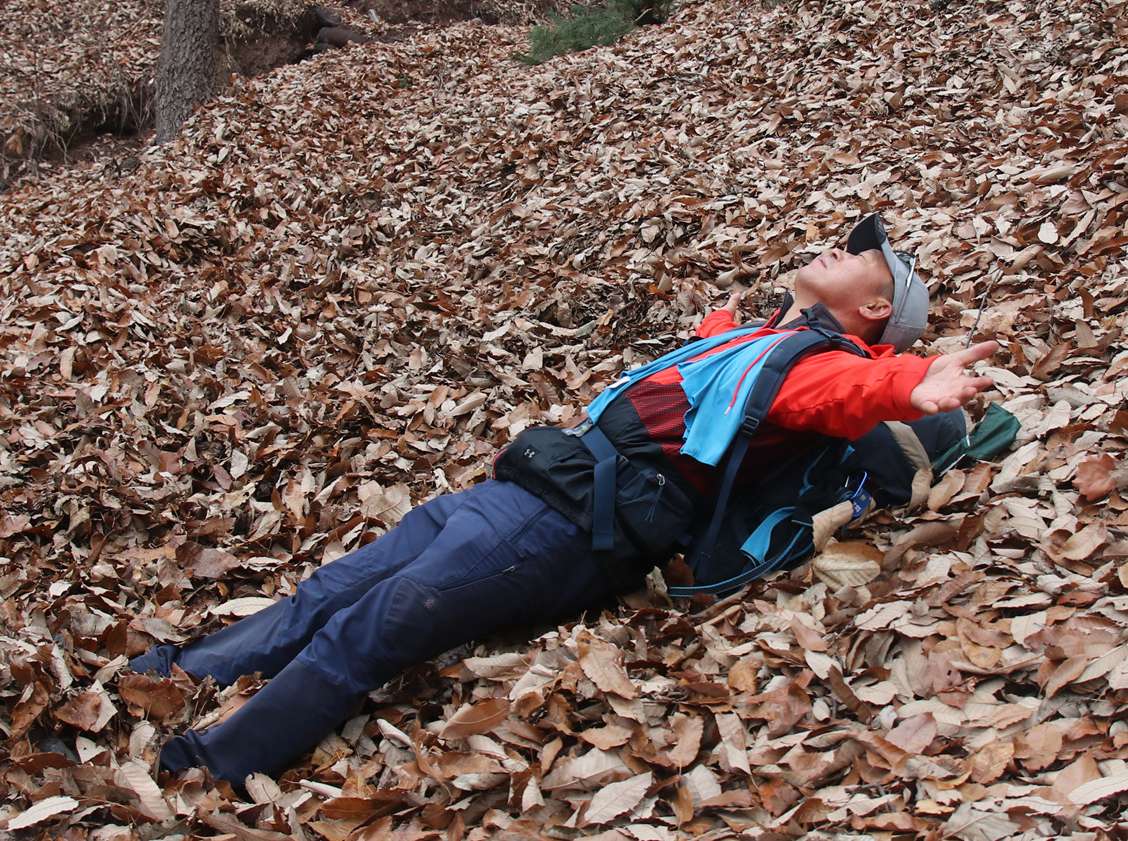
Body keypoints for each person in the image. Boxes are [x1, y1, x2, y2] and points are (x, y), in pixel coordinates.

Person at [126, 214, 998, 789]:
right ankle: (182, 674)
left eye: (857, 256)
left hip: (570, 525)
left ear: (876, 307)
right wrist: (718, 333)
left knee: (377, 625)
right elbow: (701, 391)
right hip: (531, 488)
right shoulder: (769, 342)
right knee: (331, 591)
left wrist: (920, 385)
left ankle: (214, 762)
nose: (834, 247)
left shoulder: (821, 366)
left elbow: (851, 394)